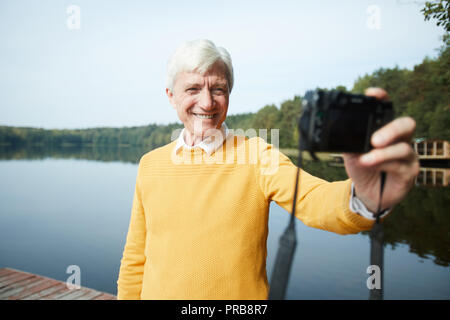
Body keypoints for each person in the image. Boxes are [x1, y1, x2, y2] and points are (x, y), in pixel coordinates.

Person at [117, 39, 419, 300]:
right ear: (171, 96)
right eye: (193, 88)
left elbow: (316, 200)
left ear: (228, 95)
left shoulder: (257, 155)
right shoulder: (150, 164)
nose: (207, 102)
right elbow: (135, 258)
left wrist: (365, 197)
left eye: (218, 88)